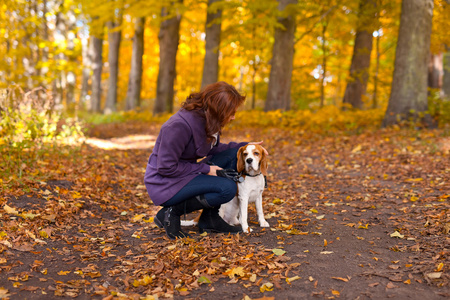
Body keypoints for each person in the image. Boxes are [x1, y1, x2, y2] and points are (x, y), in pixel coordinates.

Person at [144, 81, 262, 239]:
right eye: (231, 112)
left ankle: (209, 219)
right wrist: (206, 169)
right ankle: (171, 212)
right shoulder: (178, 126)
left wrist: (247, 146)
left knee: (234, 154)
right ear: (218, 110)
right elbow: (166, 168)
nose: (233, 117)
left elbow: (212, 149)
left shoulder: (207, 120)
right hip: (165, 182)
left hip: (184, 172)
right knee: (227, 188)